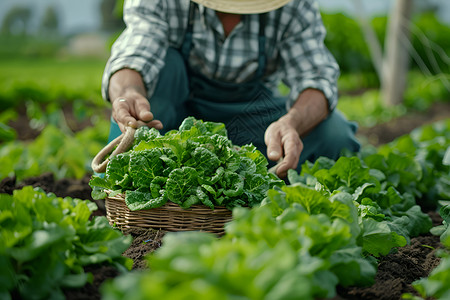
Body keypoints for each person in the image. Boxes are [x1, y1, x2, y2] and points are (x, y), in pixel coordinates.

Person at [101, 0, 360, 179]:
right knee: (164, 66)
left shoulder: (293, 6)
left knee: (335, 135)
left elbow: (315, 77)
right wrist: (129, 93)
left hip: (252, 119)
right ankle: (139, 170)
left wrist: (291, 123)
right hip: (175, 119)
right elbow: (135, 52)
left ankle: (264, 178)